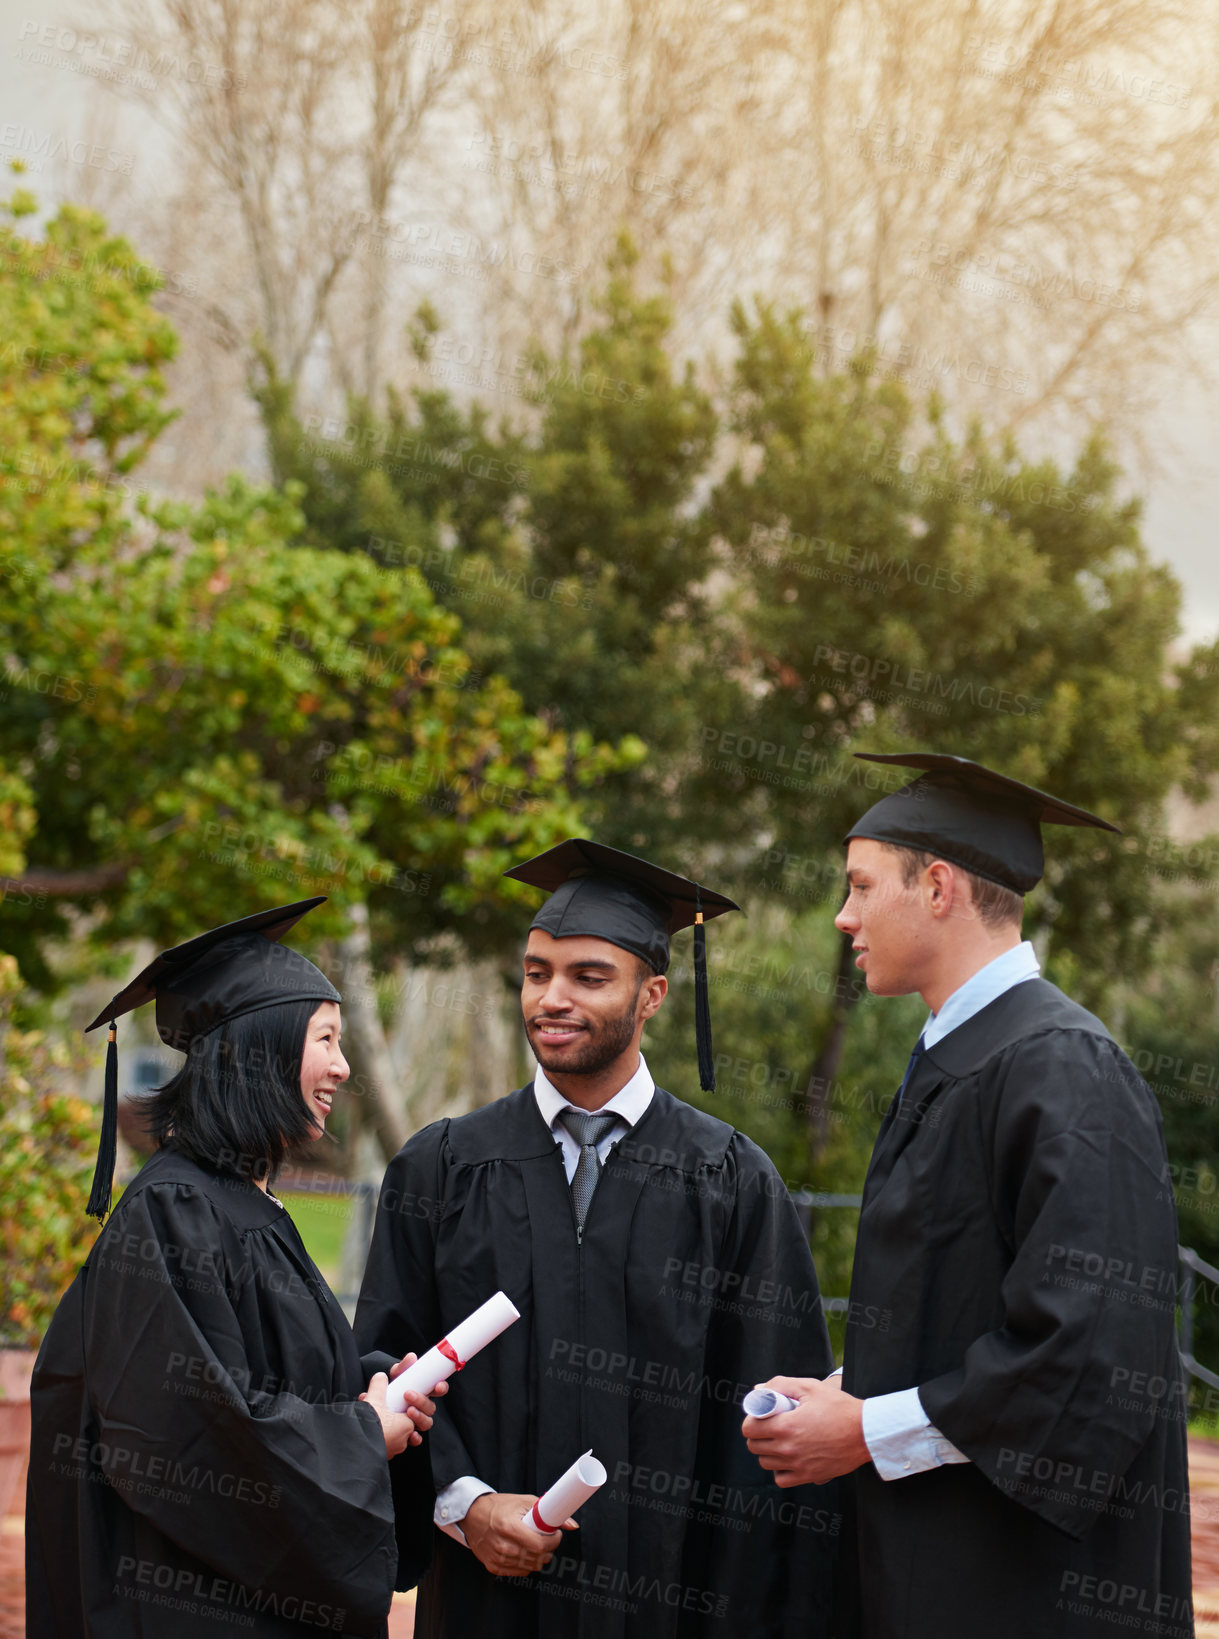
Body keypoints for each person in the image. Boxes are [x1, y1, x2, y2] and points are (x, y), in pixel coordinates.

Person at [743, 753, 1193, 1639]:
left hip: (1030, 1590)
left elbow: (1086, 1350)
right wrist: (848, 1391)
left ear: (937, 886)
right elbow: (956, 1301)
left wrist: (869, 1427)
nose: (843, 916)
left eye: (860, 887)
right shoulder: (963, 1055)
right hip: (943, 1566)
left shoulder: (1059, 1065)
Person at [355, 839, 840, 1639]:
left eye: (588, 976)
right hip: (485, 1602)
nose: (551, 997)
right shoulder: (442, 1167)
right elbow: (381, 1368)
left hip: (669, 1600)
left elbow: (771, 1412)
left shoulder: (729, 1181)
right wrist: (464, 1504)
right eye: (536, 972)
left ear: (651, 994)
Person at [26, 896, 442, 1639]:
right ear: (262, 1050)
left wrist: (375, 1388)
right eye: (325, 1039)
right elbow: (191, 1433)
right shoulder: (175, 1211)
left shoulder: (245, 1203)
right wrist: (356, 1433)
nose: (343, 1067)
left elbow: (267, 1376)